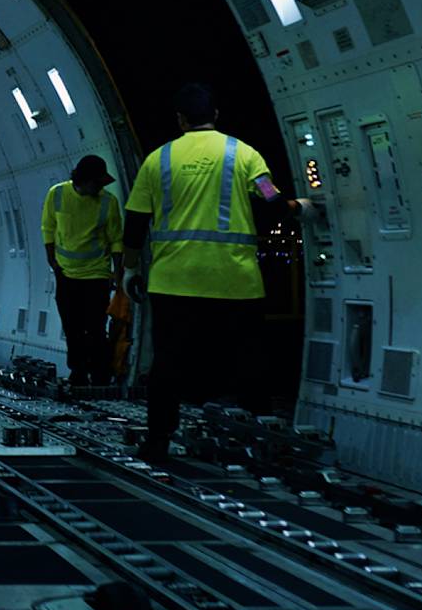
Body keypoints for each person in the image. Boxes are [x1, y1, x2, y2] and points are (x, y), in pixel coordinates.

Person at [122, 82, 317, 462]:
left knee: (167, 365)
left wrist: (130, 270)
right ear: (216, 115)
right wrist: (302, 208)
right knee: (248, 363)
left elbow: (134, 222)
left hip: (173, 282)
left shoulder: (157, 160)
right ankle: (261, 440)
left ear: (180, 119)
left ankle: (158, 441)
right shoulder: (244, 154)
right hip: (235, 282)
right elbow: (273, 202)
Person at [40, 155, 124, 390]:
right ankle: (78, 372)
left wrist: (117, 273)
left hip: (97, 275)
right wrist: (52, 261)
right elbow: (48, 227)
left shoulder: (108, 202)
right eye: (96, 183)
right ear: (83, 180)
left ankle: (100, 375)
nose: (100, 187)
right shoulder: (57, 194)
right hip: (66, 275)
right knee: (72, 327)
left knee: (96, 327)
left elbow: (116, 239)